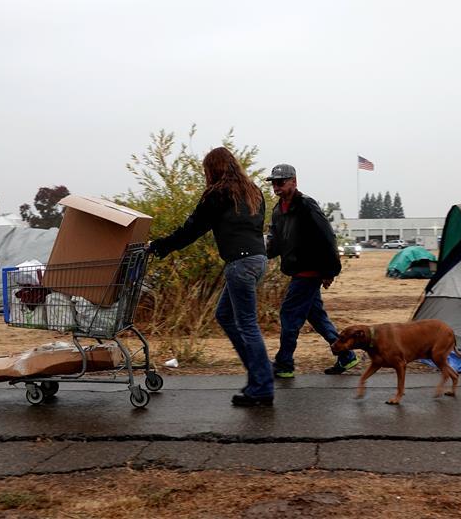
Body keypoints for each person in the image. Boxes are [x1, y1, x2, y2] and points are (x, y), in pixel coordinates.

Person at [148, 147, 273, 407]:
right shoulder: (253, 191)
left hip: (240, 263)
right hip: (258, 260)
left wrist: (160, 246)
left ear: (212, 169)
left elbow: (193, 228)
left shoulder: (218, 193)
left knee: (247, 324)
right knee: (225, 315)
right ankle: (258, 375)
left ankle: (261, 385)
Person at [266, 163, 360, 378]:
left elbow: (327, 238)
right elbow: (276, 242)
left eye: (281, 182)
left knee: (289, 316)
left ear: (294, 182)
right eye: (274, 183)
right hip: (297, 270)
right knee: (316, 316)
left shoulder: (307, 206)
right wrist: (261, 253)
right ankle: (346, 356)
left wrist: (330, 271)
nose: (277, 187)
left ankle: (284, 364)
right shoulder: (278, 210)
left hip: (309, 272)